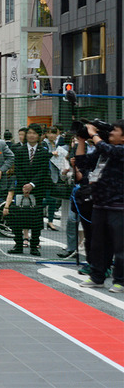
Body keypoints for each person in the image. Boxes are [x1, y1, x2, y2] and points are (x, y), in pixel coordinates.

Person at [75, 120, 124, 292]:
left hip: (118, 204)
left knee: (120, 245)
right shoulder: (102, 150)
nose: (111, 133)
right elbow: (82, 162)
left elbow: (109, 150)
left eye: (115, 130)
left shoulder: (118, 150)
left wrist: (94, 134)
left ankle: (120, 281)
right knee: (97, 244)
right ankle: (97, 277)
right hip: (99, 203)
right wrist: (82, 140)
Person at [4, 123, 51, 256]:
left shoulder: (43, 152)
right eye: (29, 133)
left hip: (37, 189)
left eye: (34, 133)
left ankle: (34, 245)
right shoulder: (19, 150)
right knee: (18, 216)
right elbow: (17, 169)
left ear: (39, 136)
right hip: (21, 188)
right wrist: (25, 184)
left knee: (36, 218)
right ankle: (18, 244)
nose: (31, 136)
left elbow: (43, 170)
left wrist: (32, 184)